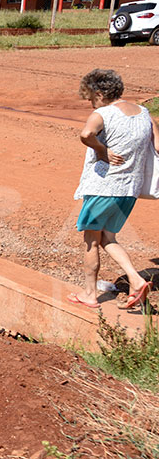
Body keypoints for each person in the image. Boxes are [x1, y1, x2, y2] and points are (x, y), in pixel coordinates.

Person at [69, 69, 158, 310]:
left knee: (91, 239)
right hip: (130, 189)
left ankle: (90, 294)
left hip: (103, 187)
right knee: (108, 236)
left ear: (99, 94)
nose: (90, 104)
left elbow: (86, 134)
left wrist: (102, 150)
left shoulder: (102, 114)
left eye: (90, 98)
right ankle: (136, 279)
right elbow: (158, 146)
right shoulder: (144, 113)